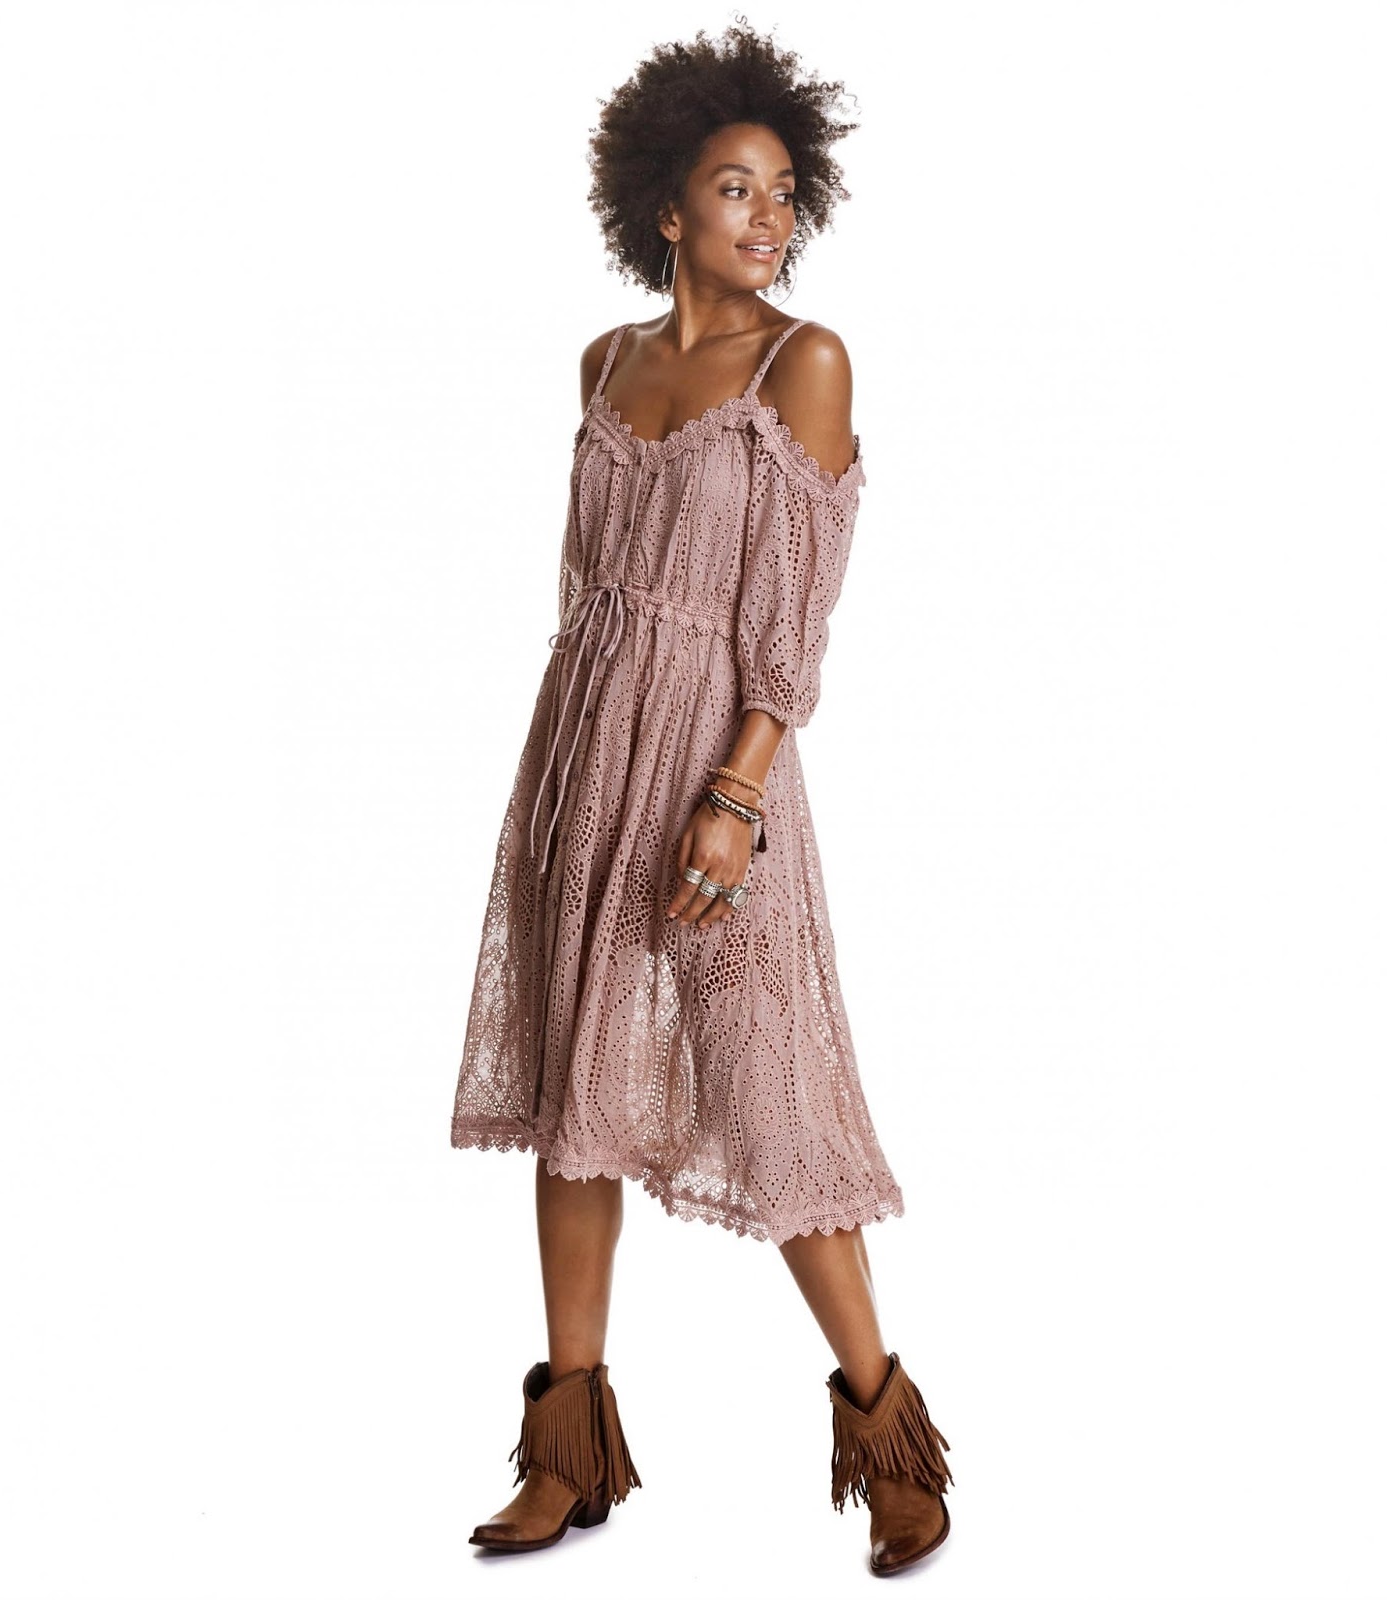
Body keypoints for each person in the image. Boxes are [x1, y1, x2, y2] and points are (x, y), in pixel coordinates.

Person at [451, 23, 954, 1578]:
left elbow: (793, 620)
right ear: (665, 208)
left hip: (717, 768)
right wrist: (572, 762)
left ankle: (891, 1444)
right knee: (572, 1101)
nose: (768, 216)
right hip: (581, 755)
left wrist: (735, 790)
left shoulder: (807, 363)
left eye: (786, 191)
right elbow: (584, 585)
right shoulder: (605, 364)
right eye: (736, 188)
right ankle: (568, 1449)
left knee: (775, 1099)